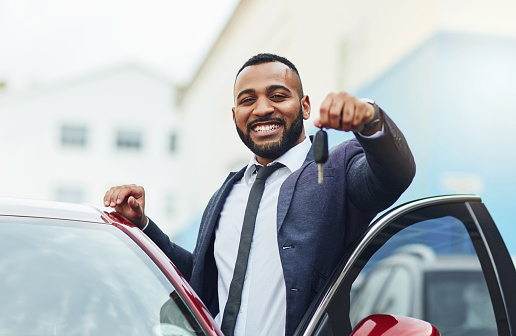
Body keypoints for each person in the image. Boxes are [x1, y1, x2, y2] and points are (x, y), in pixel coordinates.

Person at [104, 53, 415, 336]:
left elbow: (394, 174)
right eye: (248, 100)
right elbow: (199, 281)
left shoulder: (335, 171)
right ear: (235, 113)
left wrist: (371, 120)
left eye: (278, 96)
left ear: (305, 106)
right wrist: (143, 225)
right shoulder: (226, 194)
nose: (263, 109)